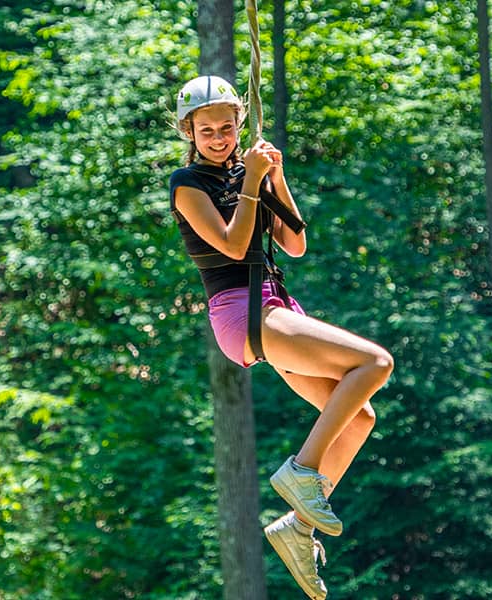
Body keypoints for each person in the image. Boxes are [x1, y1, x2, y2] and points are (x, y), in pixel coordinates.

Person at [167, 75, 395, 600]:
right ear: (190, 132)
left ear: (239, 125)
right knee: (375, 364)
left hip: (276, 305)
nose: (220, 138)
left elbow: (294, 244)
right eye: (208, 131)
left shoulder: (252, 173)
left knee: (360, 416)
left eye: (227, 128)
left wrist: (277, 178)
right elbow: (231, 244)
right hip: (241, 312)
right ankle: (302, 470)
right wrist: (252, 183)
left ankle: (298, 524)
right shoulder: (187, 184)